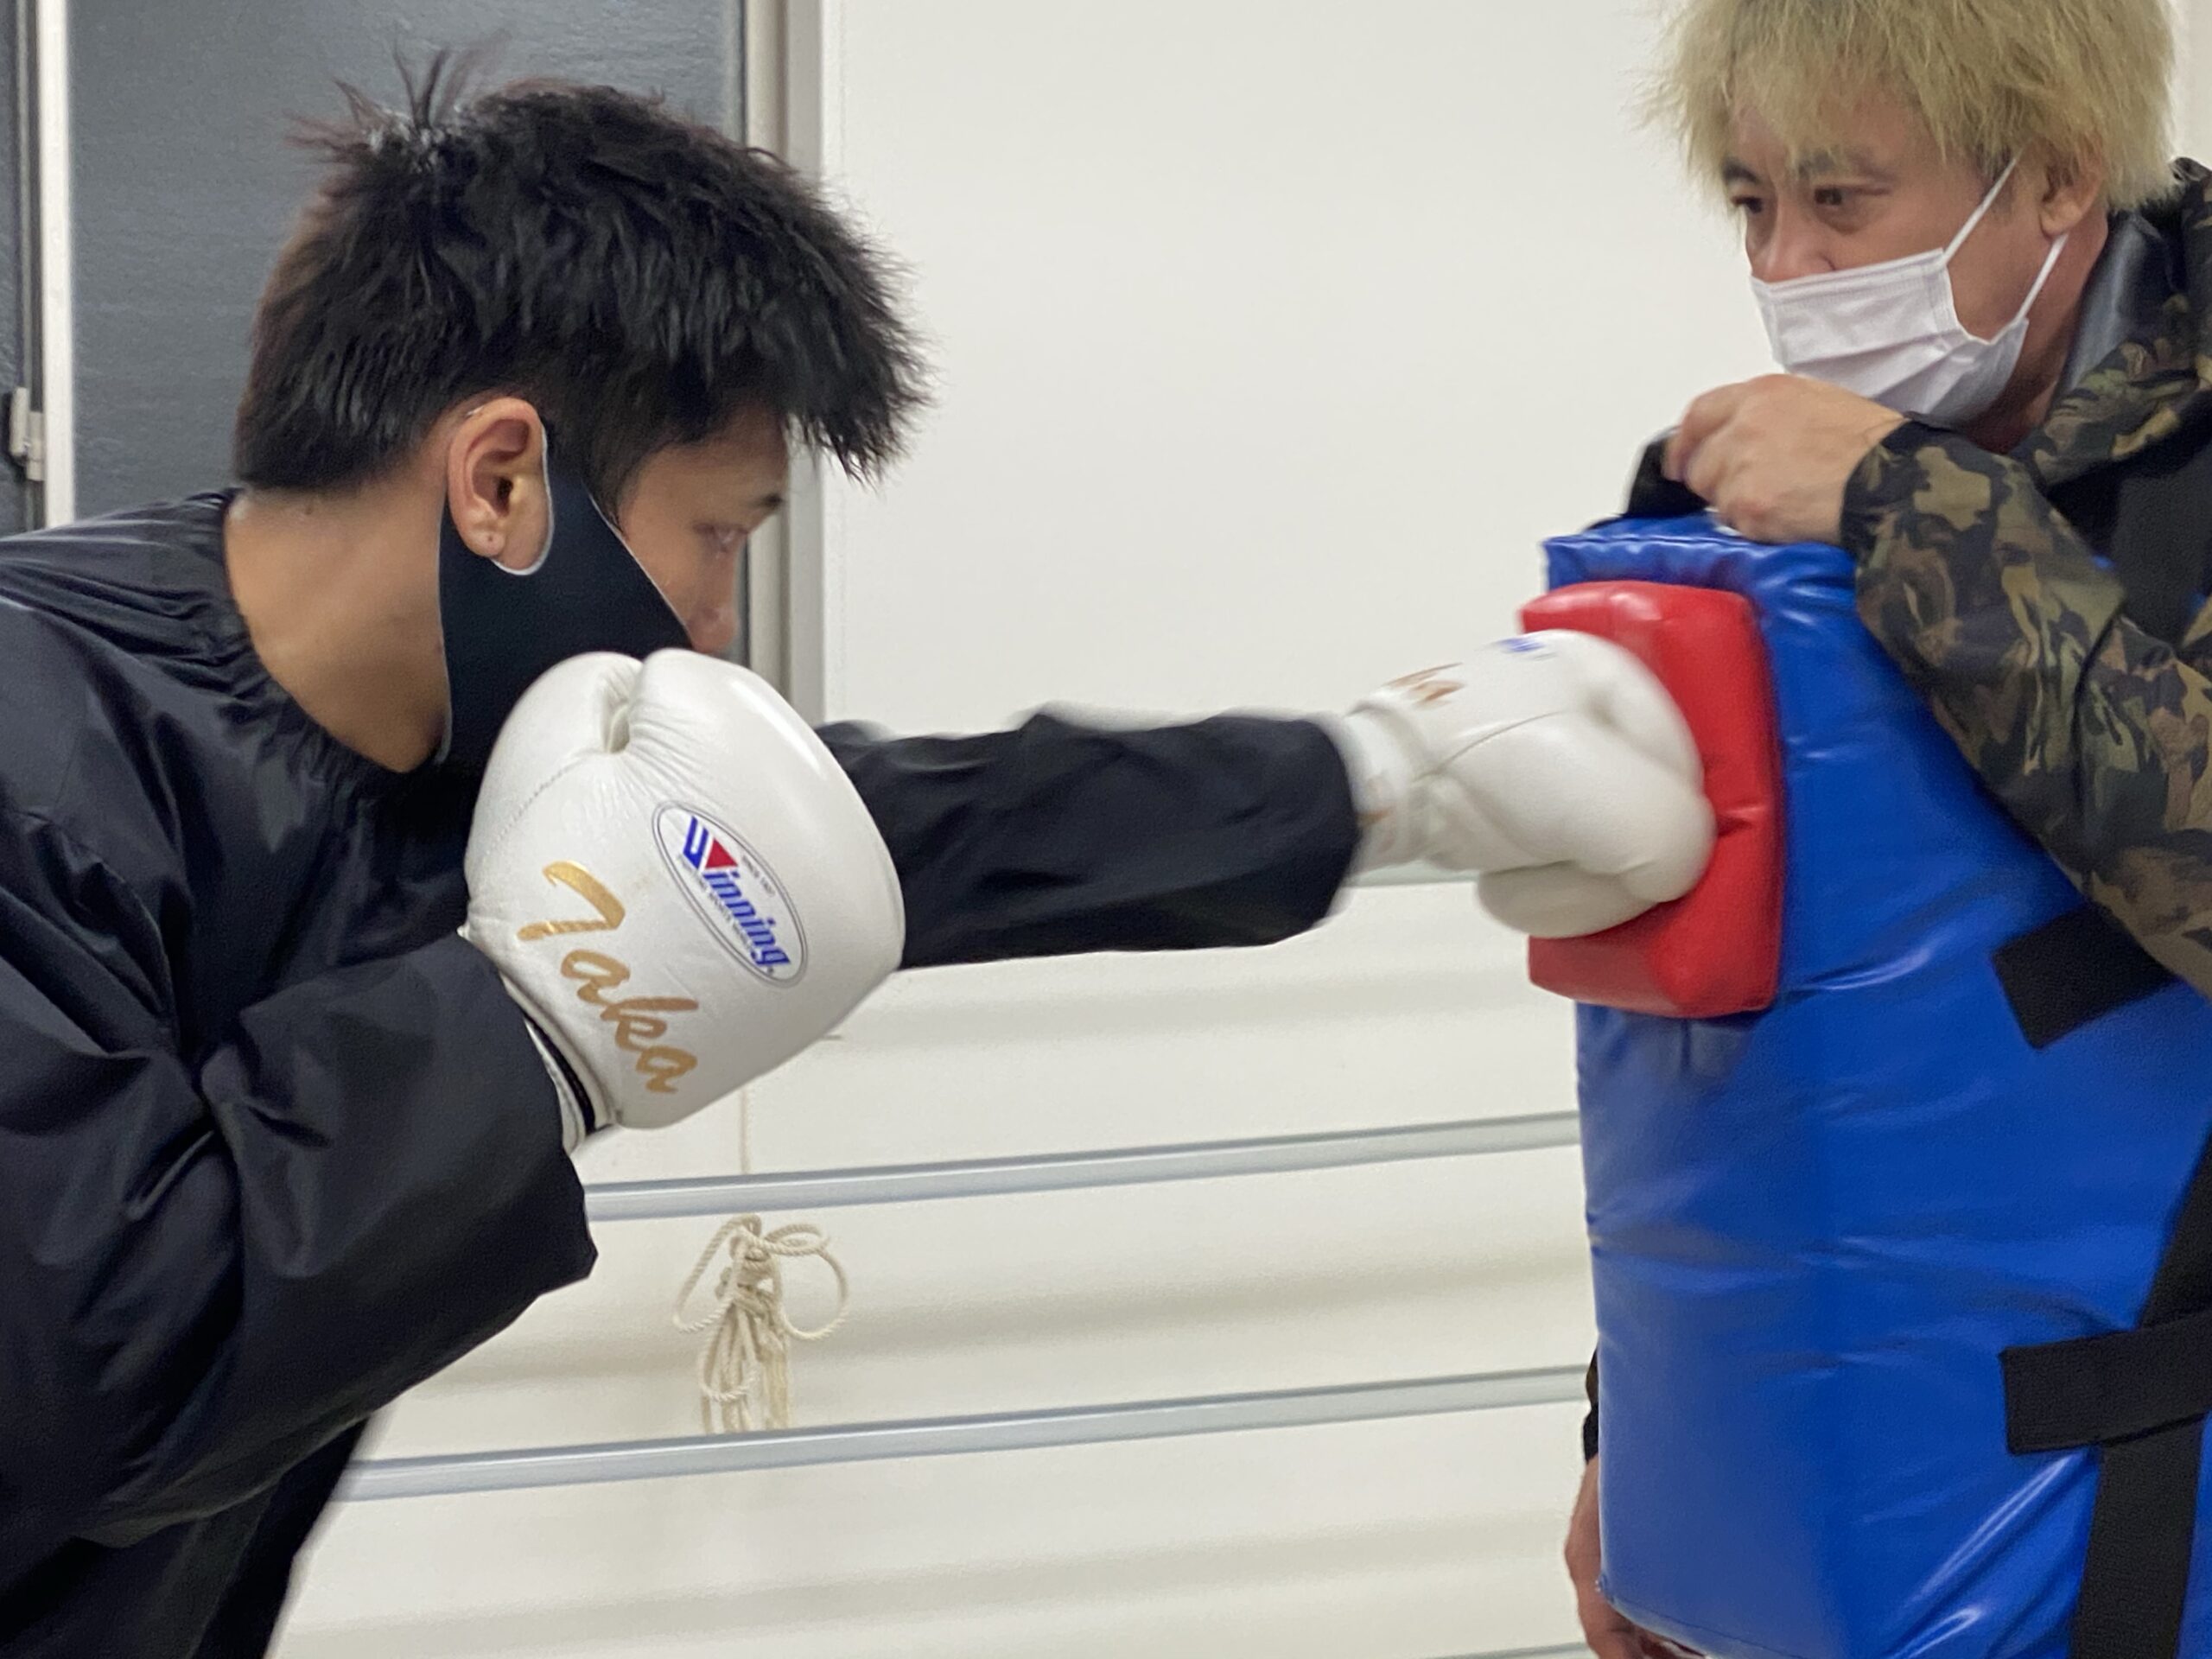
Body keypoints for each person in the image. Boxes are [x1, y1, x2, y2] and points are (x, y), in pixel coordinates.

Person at [0, 60, 1714, 1659]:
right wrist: (527, 1026)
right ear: (502, 482)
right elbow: (84, 1371)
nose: (719, 622)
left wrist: (1381, 773)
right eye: (714, 534)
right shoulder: (39, 758)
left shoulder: (446, 744)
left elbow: (941, 825)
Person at [1560, 1, 2208, 1653]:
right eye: (1750, 201)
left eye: (1844, 203)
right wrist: (1633, 1436)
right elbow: (1722, 1036)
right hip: (1861, 1474)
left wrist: (1915, 509)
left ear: (2058, 174)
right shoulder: (1758, 502)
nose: (1789, 266)